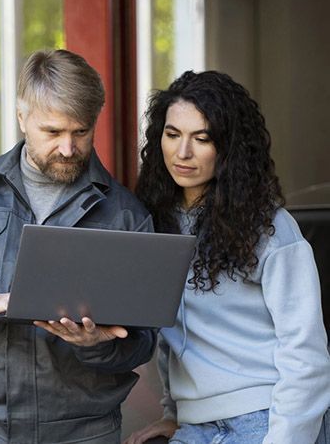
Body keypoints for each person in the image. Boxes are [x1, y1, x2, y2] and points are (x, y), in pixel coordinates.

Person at [0, 49, 156, 444]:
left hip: (85, 433)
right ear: (22, 118)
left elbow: (143, 340)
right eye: (52, 132)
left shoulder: (126, 216)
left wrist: (97, 345)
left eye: (80, 132)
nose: (68, 148)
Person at [125, 70, 330, 444]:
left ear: (229, 148)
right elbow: (174, 335)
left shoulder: (269, 228)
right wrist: (173, 415)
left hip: (266, 421)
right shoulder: (155, 221)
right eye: (172, 135)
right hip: (195, 427)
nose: (182, 153)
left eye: (201, 139)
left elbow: (306, 352)